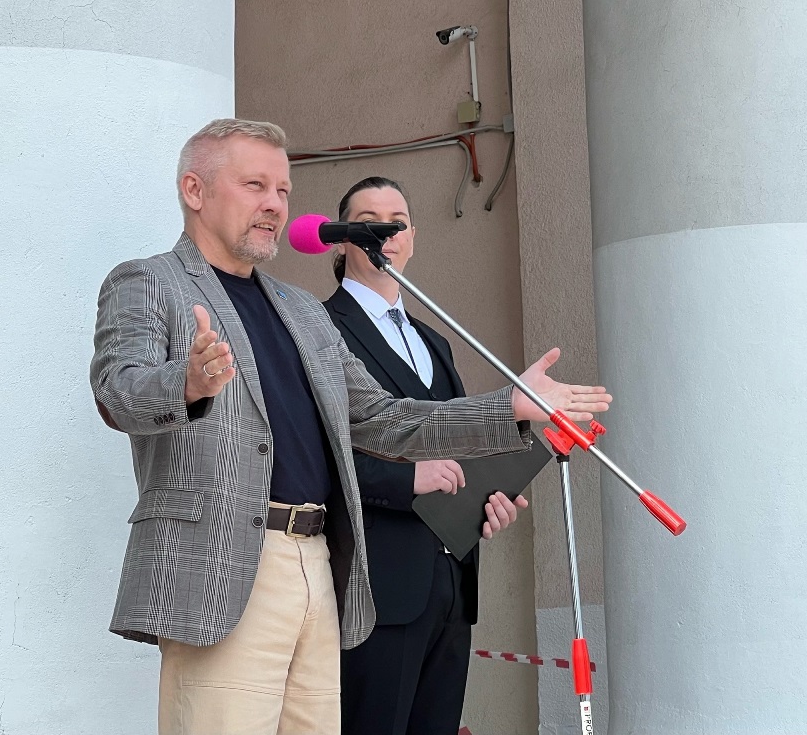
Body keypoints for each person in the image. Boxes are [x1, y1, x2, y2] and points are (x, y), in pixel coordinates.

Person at [89, 118, 611, 735]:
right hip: (223, 563)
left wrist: (511, 407)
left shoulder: (301, 310)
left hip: (319, 562)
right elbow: (117, 391)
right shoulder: (149, 281)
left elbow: (388, 420)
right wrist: (187, 381)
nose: (274, 204)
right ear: (194, 190)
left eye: (283, 191)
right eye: (255, 185)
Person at [324, 176, 528, 735]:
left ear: (413, 237)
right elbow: (321, 458)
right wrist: (407, 481)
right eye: (368, 221)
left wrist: (488, 500)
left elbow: (455, 445)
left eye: (397, 222)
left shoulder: (435, 341)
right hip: (379, 583)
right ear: (341, 239)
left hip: (452, 581)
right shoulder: (321, 330)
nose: (385, 233)